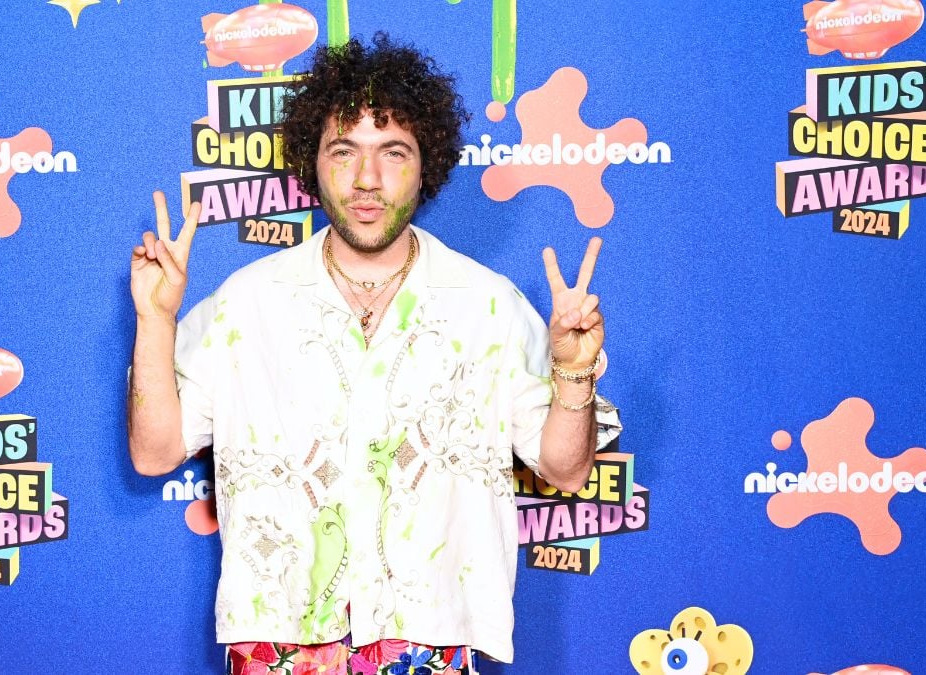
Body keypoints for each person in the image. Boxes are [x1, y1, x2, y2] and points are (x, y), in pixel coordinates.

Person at [128, 34, 621, 675]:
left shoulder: (487, 304)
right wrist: (156, 319)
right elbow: (154, 452)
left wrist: (574, 368)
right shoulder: (247, 303)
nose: (366, 179)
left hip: (430, 644)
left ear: (427, 164)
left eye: (393, 151)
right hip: (278, 641)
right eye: (344, 151)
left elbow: (566, 470)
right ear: (314, 161)